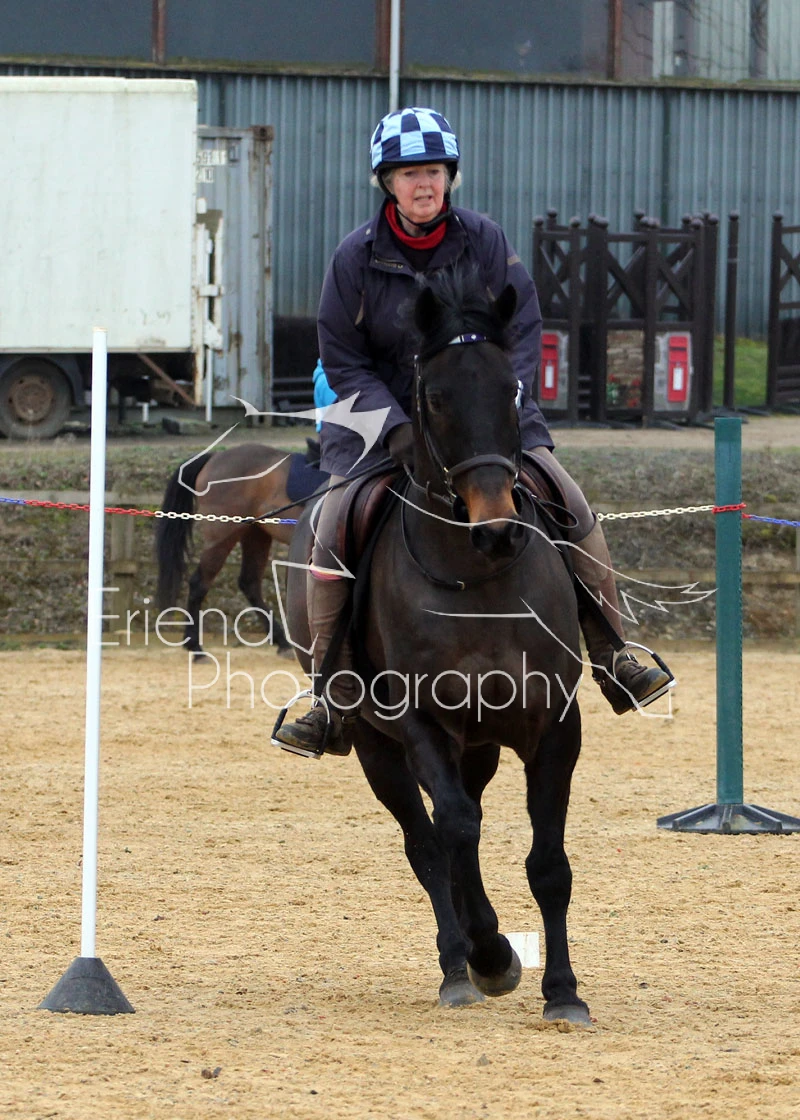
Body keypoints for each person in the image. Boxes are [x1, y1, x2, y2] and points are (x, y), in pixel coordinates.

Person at [275, 106, 672, 757]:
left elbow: (523, 327)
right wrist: (394, 427)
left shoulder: (485, 240)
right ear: (387, 183)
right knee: (332, 523)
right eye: (409, 174)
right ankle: (331, 696)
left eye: (434, 171)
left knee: (569, 501)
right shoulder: (354, 257)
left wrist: (505, 397)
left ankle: (614, 653)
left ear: (450, 177)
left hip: (487, 420)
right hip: (380, 427)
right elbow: (341, 359)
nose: (423, 184)